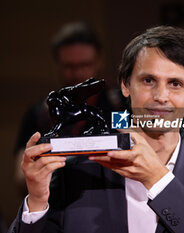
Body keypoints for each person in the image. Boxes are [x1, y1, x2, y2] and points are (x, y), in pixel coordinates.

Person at [8, 26, 184, 233]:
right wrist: (37, 200)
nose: (161, 96)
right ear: (125, 85)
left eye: (175, 84)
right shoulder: (78, 166)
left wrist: (158, 179)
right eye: (148, 81)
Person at [14, 22, 125, 195]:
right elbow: (21, 180)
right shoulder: (40, 114)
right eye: (70, 66)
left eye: (86, 64)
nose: (78, 73)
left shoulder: (119, 107)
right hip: (58, 205)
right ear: (57, 65)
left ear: (99, 62)